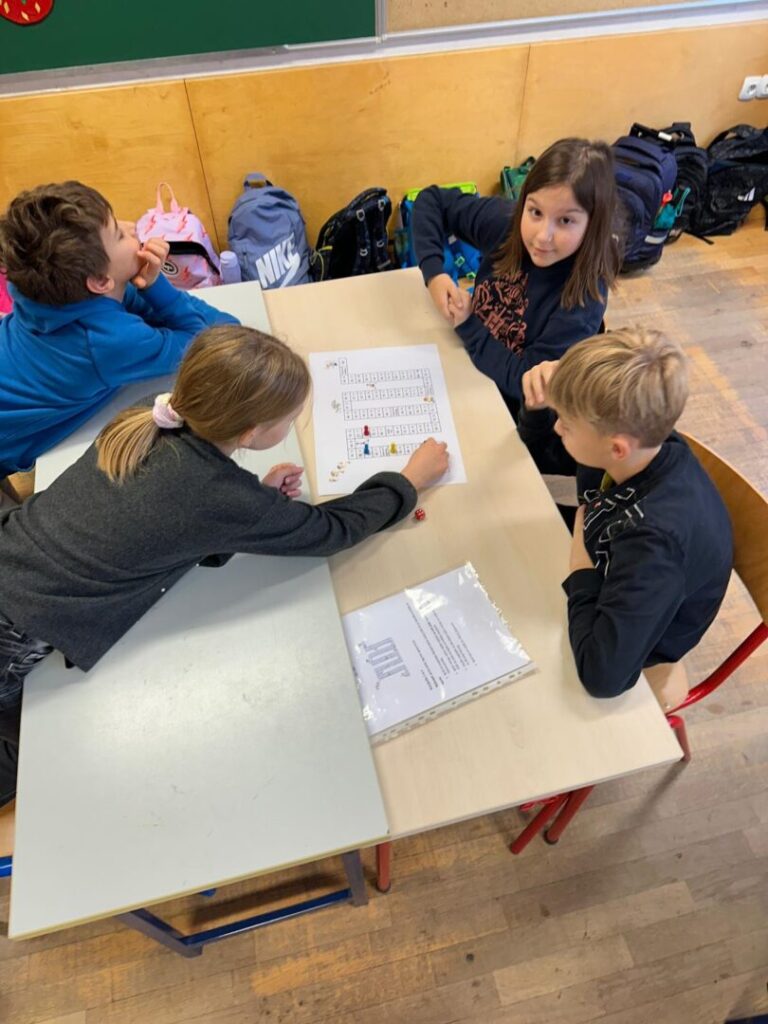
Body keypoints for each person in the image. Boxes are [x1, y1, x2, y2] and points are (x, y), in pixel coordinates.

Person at [0, 324, 449, 807]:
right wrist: (408, 481)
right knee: (37, 756)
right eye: (289, 420)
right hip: (19, 629)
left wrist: (253, 501)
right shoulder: (219, 495)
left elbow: (162, 512)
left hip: (13, 555)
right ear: (252, 433)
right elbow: (331, 531)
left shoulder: (150, 413)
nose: (292, 426)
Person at [519, 327, 732, 708]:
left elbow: (602, 677)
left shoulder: (655, 544)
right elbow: (549, 454)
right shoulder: (634, 446)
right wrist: (538, 408)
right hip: (606, 554)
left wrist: (581, 567)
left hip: (636, 639)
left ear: (616, 448)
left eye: (565, 421)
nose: (557, 426)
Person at [0, 180, 238, 479]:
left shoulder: (35, 291)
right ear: (100, 282)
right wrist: (156, 285)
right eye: (118, 233)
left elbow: (140, 305)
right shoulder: (109, 342)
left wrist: (145, 286)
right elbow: (209, 341)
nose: (131, 227)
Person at [412, 138, 622, 419]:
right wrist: (435, 273)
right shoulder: (507, 222)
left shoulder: (583, 300)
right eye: (536, 212)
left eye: (565, 221)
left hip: (507, 410)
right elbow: (431, 200)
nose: (542, 236)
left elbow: (527, 384)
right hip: (466, 362)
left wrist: (470, 325)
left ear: (592, 225)